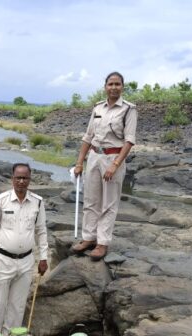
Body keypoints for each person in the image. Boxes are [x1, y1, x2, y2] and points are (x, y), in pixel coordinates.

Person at [72, 71, 137, 261]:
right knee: (91, 200)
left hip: (113, 158)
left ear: (122, 87)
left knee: (109, 203)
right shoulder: (98, 108)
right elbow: (88, 136)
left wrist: (115, 164)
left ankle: (102, 243)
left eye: (117, 84)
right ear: (105, 87)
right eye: (110, 84)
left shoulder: (128, 109)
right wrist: (79, 163)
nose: (114, 87)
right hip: (94, 156)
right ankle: (88, 238)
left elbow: (129, 140)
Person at [0, 163, 48, 333]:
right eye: (18, 177)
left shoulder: (38, 202)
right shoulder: (1, 200)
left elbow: (41, 231)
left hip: (26, 261)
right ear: (12, 179)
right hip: (3, 260)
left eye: (25, 178)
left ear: (29, 179)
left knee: (18, 304)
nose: (21, 181)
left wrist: (44, 257)